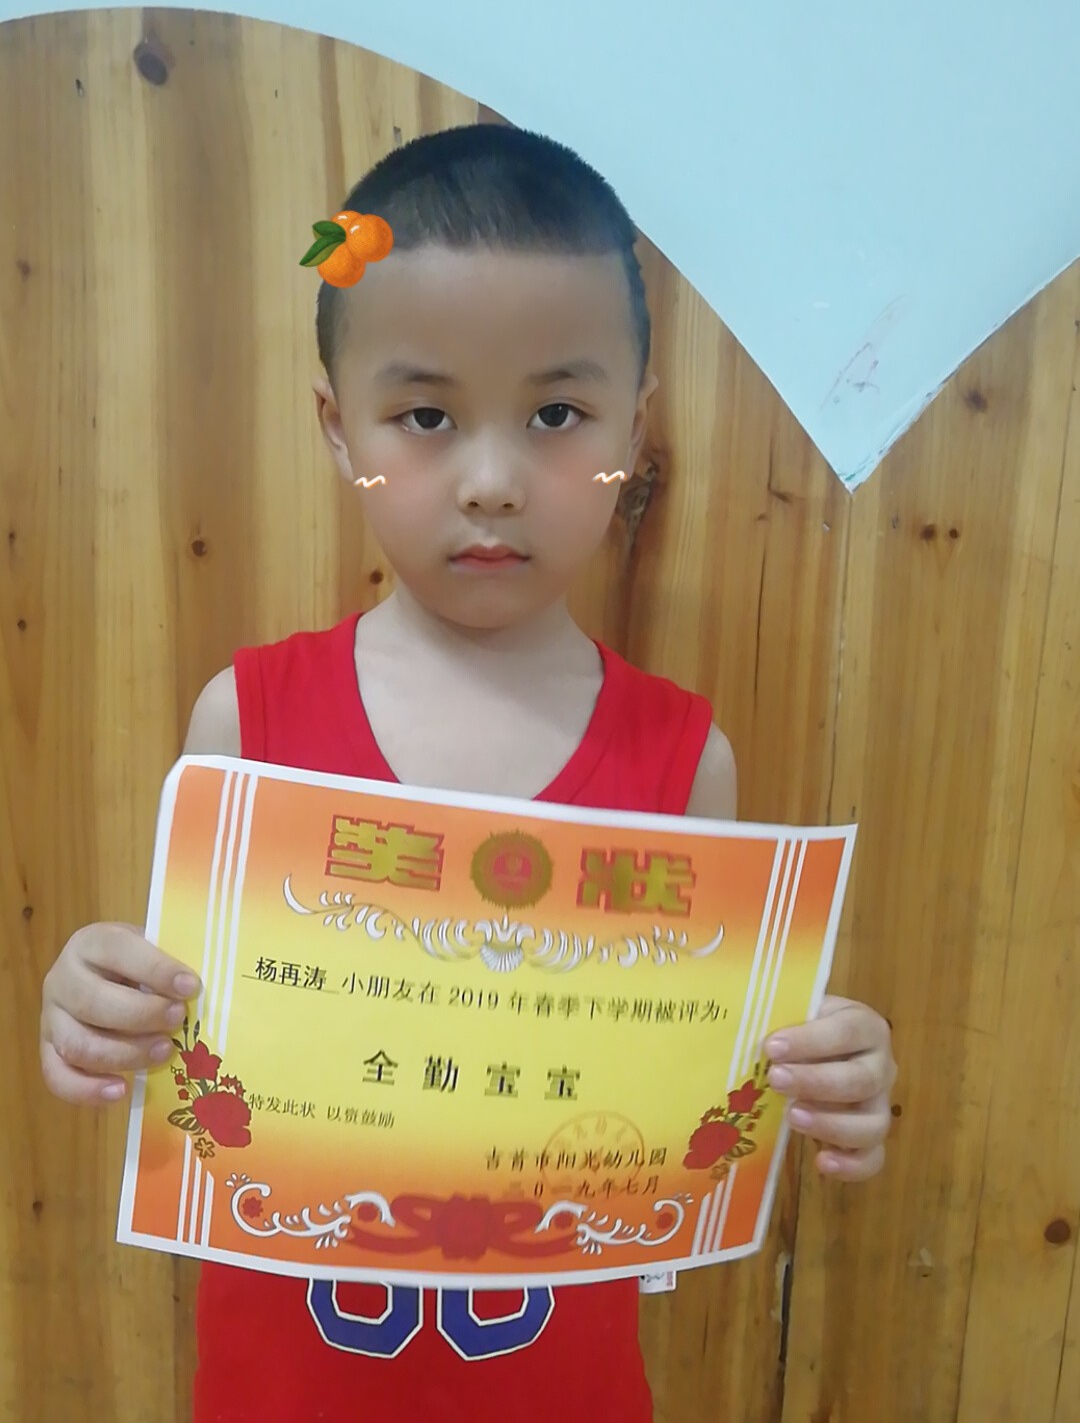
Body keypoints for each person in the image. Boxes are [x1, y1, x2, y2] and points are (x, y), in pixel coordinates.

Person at [40, 123, 897, 1422]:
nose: (493, 482)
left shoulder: (685, 763)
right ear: (340, 430)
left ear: (631, 432)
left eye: (557, 416)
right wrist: (100, 1007)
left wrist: (826, 1075)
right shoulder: (247, 721)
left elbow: (711, 1102)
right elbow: (186, 1047)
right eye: (426, 417)